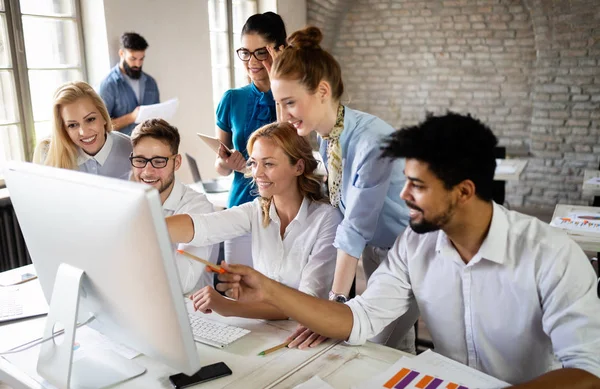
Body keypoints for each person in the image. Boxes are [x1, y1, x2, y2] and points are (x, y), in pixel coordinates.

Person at [213, 112, 600, 388]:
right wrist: (268, 288)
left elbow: (588, 372)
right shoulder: (415, 244)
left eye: (417, 185)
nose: (402, 195)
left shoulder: (553, 255)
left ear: (464, 191)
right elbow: (358, 319)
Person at [268, 26, 415, 351]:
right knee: (395, 345)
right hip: (376, 248)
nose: (285, 114)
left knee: (375, 344)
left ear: (322, 90)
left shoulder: (370, 141)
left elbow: (354, 226)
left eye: (290, 102)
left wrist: (333, 307)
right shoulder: (329, 136)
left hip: (411, 253)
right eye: (279, 103)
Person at [166, 122, 341, 320]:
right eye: (253, 163)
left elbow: (305, 304)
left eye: (269, 164)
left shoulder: (327, 219)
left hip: (306, 333)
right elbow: (203, 226)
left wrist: (228, 306)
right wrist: (147, 227)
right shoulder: (257, 210)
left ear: (298, 167)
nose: (257, 173)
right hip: (267, 328)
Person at [214, 12, 287, 268]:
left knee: (276, 291)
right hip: (240, 204)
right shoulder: (232, 98)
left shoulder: (292, 97)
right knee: (239, 286)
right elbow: (219, 166)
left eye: (260, 52)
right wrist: (228, 163)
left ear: (278, 51)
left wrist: (280, 80)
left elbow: (288, 140)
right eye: (245, 52)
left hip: (282, 208)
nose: (252, 61)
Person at [130, 119, 218, 294]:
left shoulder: (198, 208)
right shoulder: (128, 201)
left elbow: (180, 282)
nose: (147, 171)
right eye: (140, 160)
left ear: (176, 163)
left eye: (159, 161)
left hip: (190, 312)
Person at [33, 81, 132, 180]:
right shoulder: (47, 153)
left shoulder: (132, 149)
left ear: (104, 117)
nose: (83, 132)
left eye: (90, 119)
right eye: (72, 125)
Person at [99, 32, 159, 136]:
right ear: (122, 54)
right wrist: (131, 117)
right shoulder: (109, 84)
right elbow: (101, 126)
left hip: (148, 146)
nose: (138, 64)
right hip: (122, 147)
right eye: (133, 59)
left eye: (141, 59)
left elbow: (157, 116)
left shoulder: (150, 82)